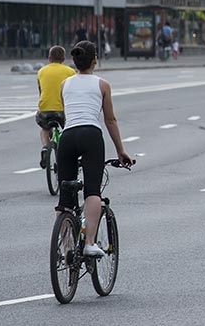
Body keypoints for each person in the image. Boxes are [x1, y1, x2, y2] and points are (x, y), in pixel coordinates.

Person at [56, 41, 135, 257]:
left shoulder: (64, 84)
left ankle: (66, 250)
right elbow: (110, 120)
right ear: (95, 60)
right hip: (90, 135)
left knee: (65, 199)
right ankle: (90, 242)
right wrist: (121, 151)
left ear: (74, 61)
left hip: (67, 137)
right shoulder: (102, 85)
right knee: (92, 191)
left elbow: (67, 114)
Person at [36, 45, 75, 168]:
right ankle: (68, 153)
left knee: (45, 129)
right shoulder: (70, 71)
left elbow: (41, 91)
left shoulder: (41, 71)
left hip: (45, 110)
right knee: (69, 130)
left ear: (49, 58)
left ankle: (45, 148)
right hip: (62, 110)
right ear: (64, 58)